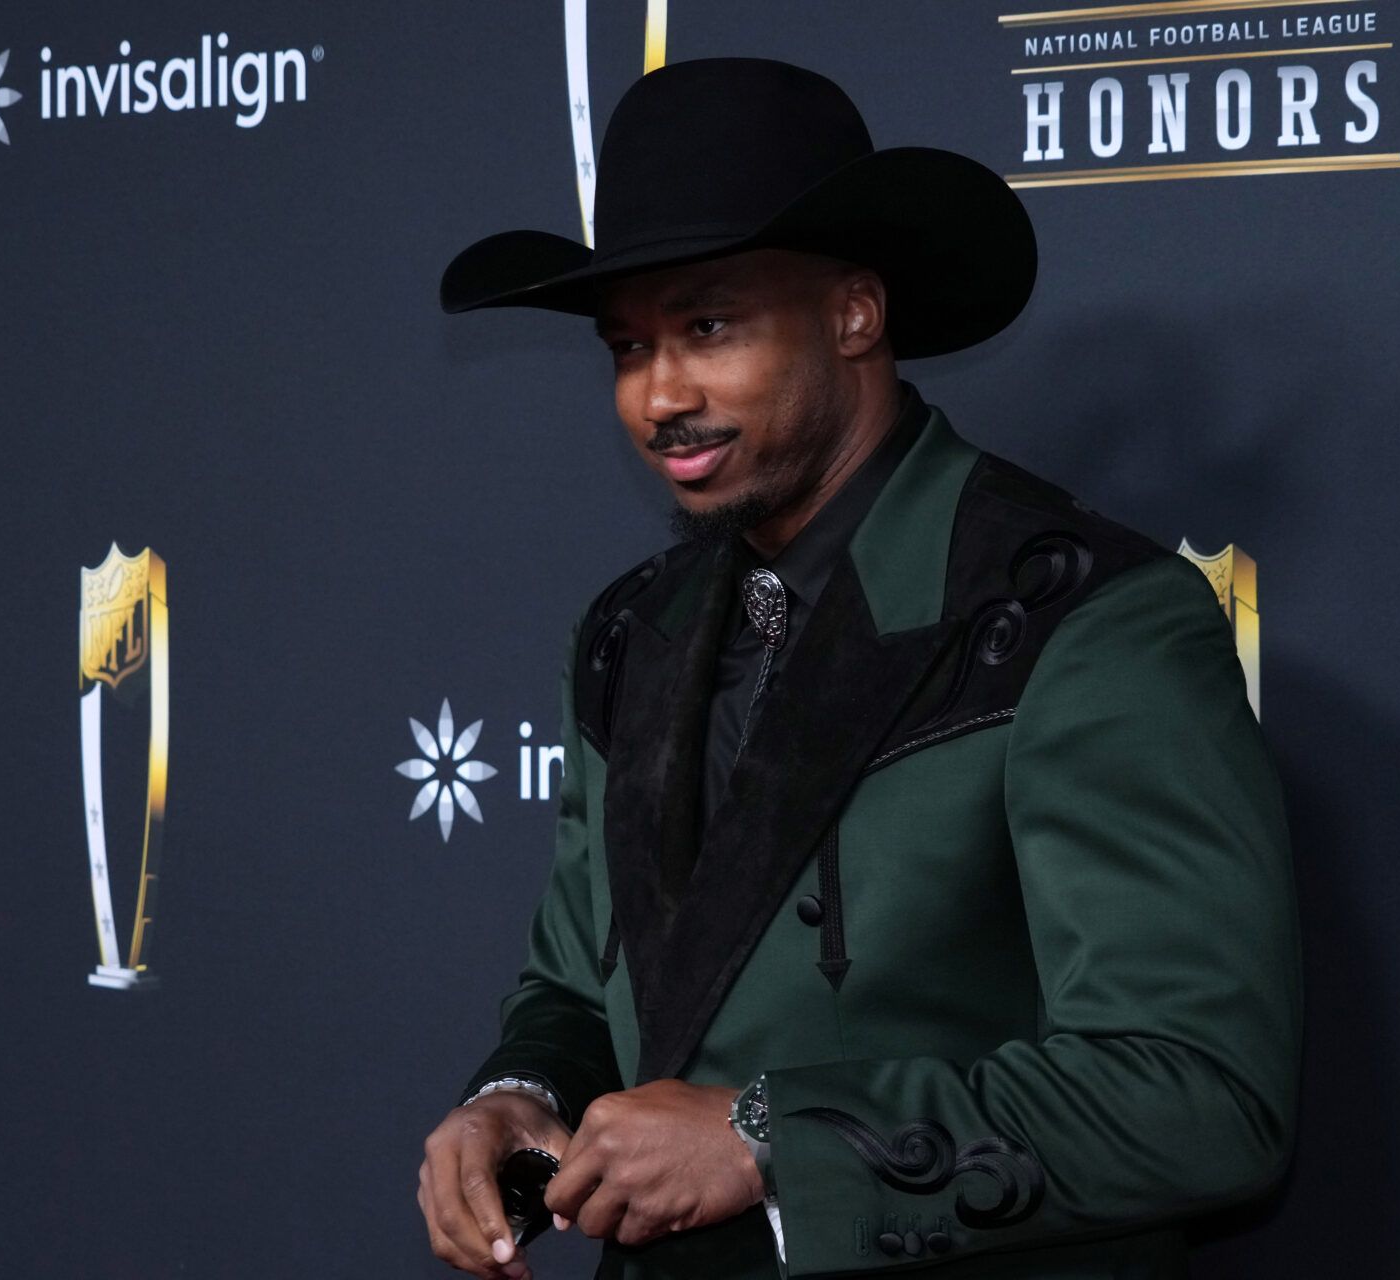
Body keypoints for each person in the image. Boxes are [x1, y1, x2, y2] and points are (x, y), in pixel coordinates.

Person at [417, 57, 1300, 1280]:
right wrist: (515, 1093)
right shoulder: (629, 632)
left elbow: (1197, 1094)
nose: (660, 393)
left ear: (854, 315)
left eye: (709, 327)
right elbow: (577, 984)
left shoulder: (1088, 623)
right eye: (629, 346)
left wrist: (770, 1135)